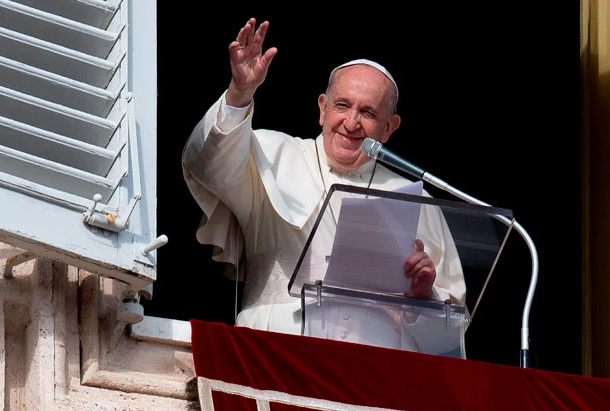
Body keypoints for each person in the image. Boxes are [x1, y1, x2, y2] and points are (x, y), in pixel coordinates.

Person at [181, 18, 466, 352]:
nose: (351, 123)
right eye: (342, 106)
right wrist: (240, 93)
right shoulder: (271, 154)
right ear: (322, 108)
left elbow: (452, 335)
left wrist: (424, 298)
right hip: (276, 352)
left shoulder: (416, 200)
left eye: (368, 113)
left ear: (389, 127)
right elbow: (206, 162)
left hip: (376, 372)